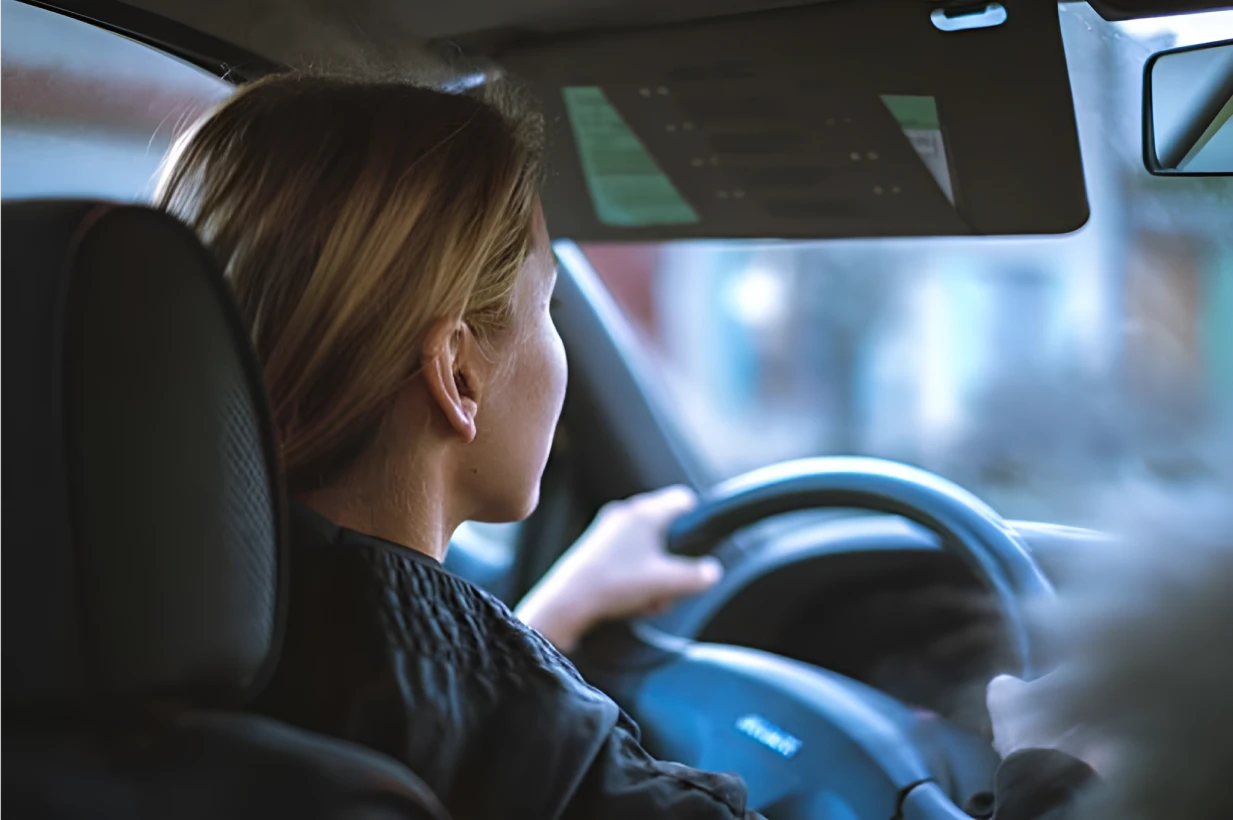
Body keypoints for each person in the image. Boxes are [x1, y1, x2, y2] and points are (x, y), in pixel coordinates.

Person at [157, 73, 1097, 819]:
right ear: (458, 376)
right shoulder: (534, 753)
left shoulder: (135, 630)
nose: (556, 343)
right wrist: (1051, 774)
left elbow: (404, 695)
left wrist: (539, 625)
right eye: (547, 306)